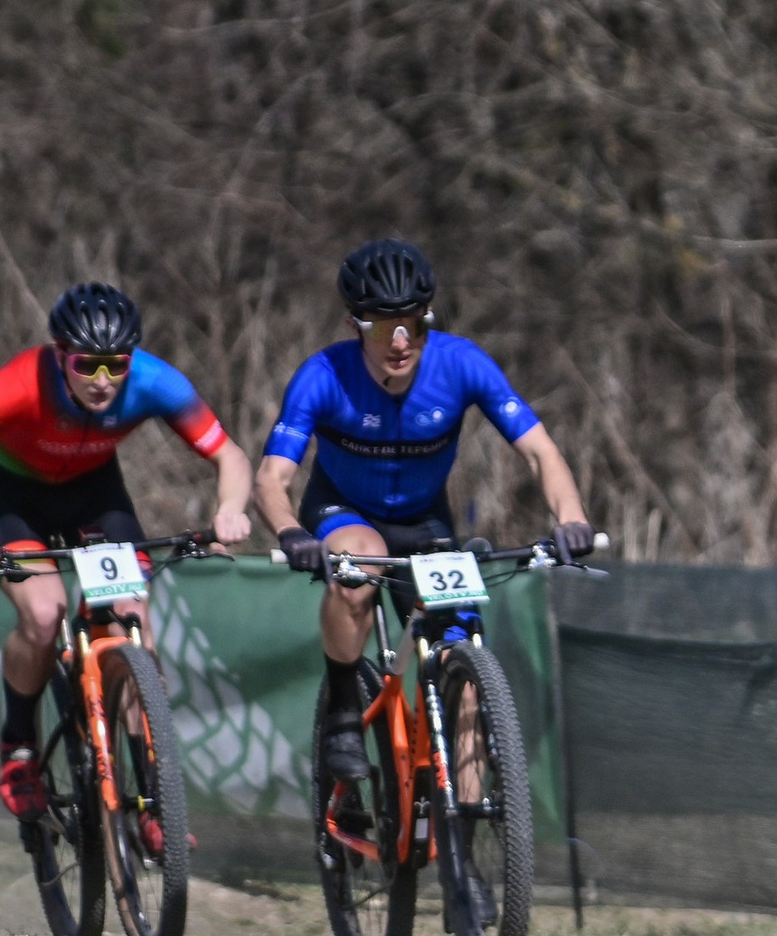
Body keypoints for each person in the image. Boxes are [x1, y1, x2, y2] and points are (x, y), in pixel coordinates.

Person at [0, 282, 254, 821]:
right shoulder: (16, 385)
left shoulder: (157, 381)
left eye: (116, 365)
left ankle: (151, 792)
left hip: (94, 496)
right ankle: (18, 742)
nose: (104, 380)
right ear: (61, 354)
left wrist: (229, 509)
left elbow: (229, 456)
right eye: (88, 365)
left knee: (132, 616)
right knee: (44, 614)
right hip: (12, 499)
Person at [255, 239, 595, 779]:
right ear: (354, 323)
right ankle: (344, 708)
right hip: (344, 510)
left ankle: (467, 849)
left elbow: (538, 451)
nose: (397, 342)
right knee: (359, 567)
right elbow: (272, 477)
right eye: (380, 325)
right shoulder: (322, 376)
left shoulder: (461, 364)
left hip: (424, 519)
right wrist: (291, 531)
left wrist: (571, 518)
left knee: (461, 656)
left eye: (411, 324)